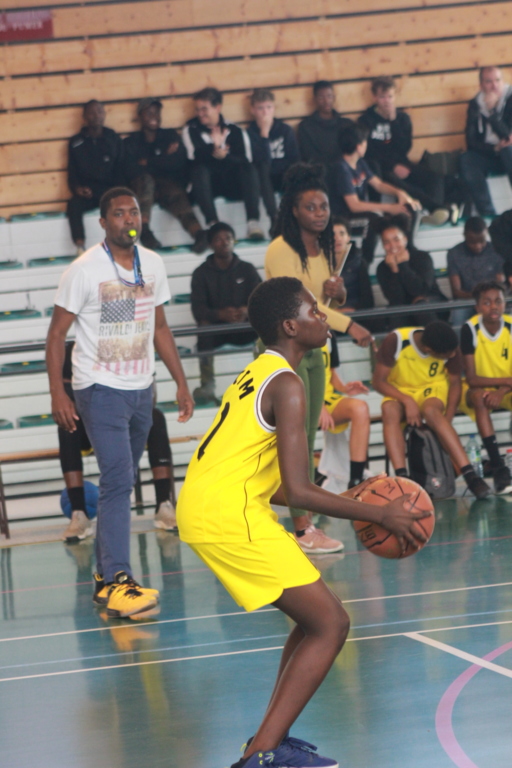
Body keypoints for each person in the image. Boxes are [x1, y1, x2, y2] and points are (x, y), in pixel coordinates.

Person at [176, 276, 430, 768]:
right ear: (290, 326)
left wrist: (350, 496)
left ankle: (269, 740)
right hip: (228, 514)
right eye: (314, 311)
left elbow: (269, 480)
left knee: (314, 618)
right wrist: (380, 512)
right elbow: (299, 494)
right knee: (331, 623)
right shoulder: (288, 384)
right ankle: (262, 755)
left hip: (218, 503)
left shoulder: (259, 371)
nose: (323, 317)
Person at [46, 187, 194, 619]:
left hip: (141, 390)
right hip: (98, 388)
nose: (129, 219)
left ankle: (104, 578)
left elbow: (160, 327)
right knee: (117, 478)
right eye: (118, 213)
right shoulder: (83, 270)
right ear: (102, 222)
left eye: (134, 212)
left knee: (121, 482)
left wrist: (180, 382)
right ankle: (118, 580)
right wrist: (58, 392)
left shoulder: (154, 263)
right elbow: (56, 335)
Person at [265, 163, 375, 554]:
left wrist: (338, 292)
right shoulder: (280, 250)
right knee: (292, 439)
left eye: (324, 206)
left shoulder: (326, 248)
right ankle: (301, 527)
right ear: (294, 210)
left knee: (306, 438)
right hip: (285, 353)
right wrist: (351, 325)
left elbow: (327, 302)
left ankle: (304, 525)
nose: (320, 213)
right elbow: (299, 307)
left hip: (315, 351)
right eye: (310, 207)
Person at [59, 342, 179, 543]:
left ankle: (164, 504)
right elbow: (68, 396)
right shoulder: (74, 350)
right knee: (66, 425)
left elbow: (149, 395)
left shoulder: (130, 345)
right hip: (90, 421)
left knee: (156, 417)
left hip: (126, 420)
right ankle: (78, 513)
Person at [372, 320, 492, 499]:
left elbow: (455, 383)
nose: (453, 355)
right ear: (428, 350)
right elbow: (378, 382)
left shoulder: (449, 343)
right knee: (389, 410)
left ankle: (470, 475)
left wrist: (448, 418)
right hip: (401, 390)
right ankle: (402, 479)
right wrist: (407, 400)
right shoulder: (396, 341)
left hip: (432, 388)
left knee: (431, 412)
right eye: (447, 355)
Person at [359, 76, 455, 225]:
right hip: (380, 168)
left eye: (390, 96)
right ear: (374, 97)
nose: (387, 101)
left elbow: (405, 147)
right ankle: (437, 208)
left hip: (402, 162)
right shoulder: (366, 121)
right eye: (382, 97)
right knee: (398, 183)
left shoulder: (402, 118)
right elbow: (369, 151)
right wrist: (392, 166)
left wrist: (393, 121)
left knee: (435, 178)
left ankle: (431, 212)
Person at [123, 97, 208, 253]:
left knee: (174, 192)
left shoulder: (170, 136)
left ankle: (199, 234)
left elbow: (178, 162)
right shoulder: (131, 141)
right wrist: (163, 158)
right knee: (147, 182)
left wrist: (148, 162)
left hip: (167, 185)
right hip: (143, 189)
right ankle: (144, 230)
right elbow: (131, 171)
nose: (154, 116)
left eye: (157, 112)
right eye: (149, 113)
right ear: (140, 116)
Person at [190, 222, 261, 403]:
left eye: (228, 238)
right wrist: (221, 315)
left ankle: (265, 378)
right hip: (217, 330)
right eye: (218, 239)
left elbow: (263, 300)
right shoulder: (201, 273)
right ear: (210, 244)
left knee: (266, 325)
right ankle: (207, 385)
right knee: (203, 327)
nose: (224, 243)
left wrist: (247, 311)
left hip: (245, 326)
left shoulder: (247, 269)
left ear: (234, 240)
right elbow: (198, 310)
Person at [329, 123, 421, 264]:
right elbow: (354, 206)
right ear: (359, 146)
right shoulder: (341, 168)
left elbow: (378, 185)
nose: (366, 145)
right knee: (373, 220)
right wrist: (390, 208)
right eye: (365, 142)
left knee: (409, 209)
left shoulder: (360, 163)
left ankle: (409, 251)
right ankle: (365, 263)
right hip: (345, 217)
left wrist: (400, 193)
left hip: (363, 211)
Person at [182, 87, 264, 240]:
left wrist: (225, 156)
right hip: (205, 187)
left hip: (231, 185)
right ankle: (213, 225)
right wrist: (214, 148)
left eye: (204, 109)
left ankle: (253, 223)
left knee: (249, 169)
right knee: (199, 171)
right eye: (197, 109)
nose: (200, 113)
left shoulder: (235, 130)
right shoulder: (190, 129)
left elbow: (246, 160)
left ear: (217, 107)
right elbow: (193, 158)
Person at [459, 281, 512, 495]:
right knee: (480, 397)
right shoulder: (469, 329)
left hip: (506, 389)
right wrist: (503, 385)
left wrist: (501, 391)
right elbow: (471, 378)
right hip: (478, 388)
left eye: (498, 301)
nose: (494, 306)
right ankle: (499, 468)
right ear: (477, 306)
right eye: (487, 302)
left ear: (505, 303)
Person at [67, 100, 125, 255]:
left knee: (122, 205)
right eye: (91, 113)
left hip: (110, 191)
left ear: (104, 114)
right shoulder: (76, 142)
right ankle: (80, 245)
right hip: (89, 193)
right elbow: (72, 173)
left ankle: (124, 242)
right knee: (73, 205)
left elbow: (121, 169)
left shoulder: (113, 138)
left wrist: (118, 192)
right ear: (84, 117)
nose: (96, 116)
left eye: (99, 111)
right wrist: (78, 189)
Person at [459, 66, 512, 217]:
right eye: (489, 82)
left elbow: (507, 136)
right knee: (466, 159)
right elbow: (470, 141)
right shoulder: (475, 104)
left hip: (509, 153)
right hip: (490, 152)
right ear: (481, 85)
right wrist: (494, 148)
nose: (494, 86)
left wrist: (492, 112)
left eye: (498, 80)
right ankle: (487, 213)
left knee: (508, 150)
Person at [376, 215, 447, 327]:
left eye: (396, 240)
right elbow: (396, 299)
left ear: (405, 239)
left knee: (420, 305)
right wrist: (394, 270)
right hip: (405, 308)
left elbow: (420, 290)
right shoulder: (382, 268)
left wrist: (403, 265)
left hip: (431, 303)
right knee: (396, 311)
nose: (392, 246)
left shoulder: (422, 257)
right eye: (386, 242)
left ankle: (434, 338)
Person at [320, 336, 371, 488]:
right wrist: (318, 406)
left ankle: (355, 480)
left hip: (325, 397)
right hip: (299, 397)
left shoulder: (328, 334)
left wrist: (344, 388)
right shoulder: (297, 329)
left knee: (360, 408)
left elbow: (330, 371)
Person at [247, 88, 300, 226]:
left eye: (269, 107)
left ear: (274, 108)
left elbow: (294, 158)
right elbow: (260, 161)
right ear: (252, 110)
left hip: (283, 174)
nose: (265, 112)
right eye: (260, 108)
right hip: (263, 178)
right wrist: (264, 135)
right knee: (262, 171)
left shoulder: (285, 130)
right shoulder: (250, 133)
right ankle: (274, 218)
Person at [447, 216, 504, 327]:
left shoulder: (496, 250)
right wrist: (479, 298)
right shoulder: (454, 253)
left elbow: (500, 284)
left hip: (493, 299)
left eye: (482, 241)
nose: (478, 246)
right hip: (466, 300)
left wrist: (487, 300)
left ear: (486, 234)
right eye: (472, 242)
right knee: (458, 315)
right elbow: (456, 291)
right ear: (465, 236)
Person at [297, 80, 353, 168]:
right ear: (315, 99)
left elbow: (352, 152)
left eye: (329, 96)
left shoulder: (346, 124)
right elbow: (309, 157)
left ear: (334, 98)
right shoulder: (305, 127)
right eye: (321, 97)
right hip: (319, 172)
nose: (326, 101)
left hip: (344, 170)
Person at [332, 216, 374, 314]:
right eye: (332, 234)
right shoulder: (319, 263)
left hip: (355, 314)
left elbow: (368, 299)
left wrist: (351, 310)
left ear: (348, 237)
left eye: (342, 233)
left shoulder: (359, 262)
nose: (337, 238)